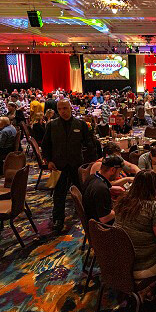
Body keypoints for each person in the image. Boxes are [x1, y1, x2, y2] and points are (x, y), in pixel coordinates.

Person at [113, 170, 156, 279]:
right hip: (145, 265)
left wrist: (153, 199)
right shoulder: (152, 206)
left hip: (121, 261)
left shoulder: (123, 200)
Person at [41, 99, 95, 232]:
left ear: (70, 108)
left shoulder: (81, 124)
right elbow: (45, 145)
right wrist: (48, 161)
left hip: (76, 163)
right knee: (58, 193)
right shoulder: (52, 125)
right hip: (58, 164)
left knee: (81, 190)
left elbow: (89, 144)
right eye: (59, 109)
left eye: (65, 108)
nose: (62, 111)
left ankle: (86, 214)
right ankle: (58, 219)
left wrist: (91, 162)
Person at [82, 155, 124, 223]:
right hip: (99, 226)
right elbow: (104, 218)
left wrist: (110, 188)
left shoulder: (92, 177)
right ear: (113, 170)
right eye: (119, 172)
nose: (118, 175)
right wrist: (122, 208)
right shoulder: (101, 189)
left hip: (91, 216)